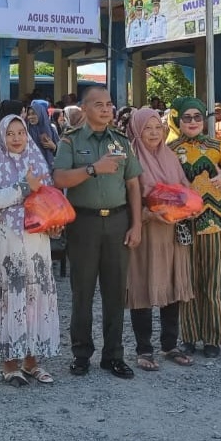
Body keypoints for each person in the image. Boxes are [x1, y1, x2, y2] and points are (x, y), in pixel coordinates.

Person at [52, 87, 142, 378]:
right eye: (99, 105)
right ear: (85, 108)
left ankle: (114, 355)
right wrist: (93, 169)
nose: (106, 109)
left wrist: (137, 223)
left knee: (116, 292)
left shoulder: (121, 141)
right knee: (83, 292)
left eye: (109, 104)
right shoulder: (71, 140)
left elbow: (133, 185)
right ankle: (81, 353)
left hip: (117, 221)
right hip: (84, 223)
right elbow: (60, 178)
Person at [0, 115, 62, 386]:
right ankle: (9, 364)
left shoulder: (37, 162)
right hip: (8, 240)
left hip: (37, 240)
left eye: (21, 132)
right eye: (10, 133)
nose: (16, 138)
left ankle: (32, 362)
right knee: (10, 298)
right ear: (1, 137)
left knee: (35, 296)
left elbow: (49, 198)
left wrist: (55, 224)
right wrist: (25, 188)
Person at [168, 97, 221, 358]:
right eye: (186, 117)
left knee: (211, 282)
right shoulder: (169, 149)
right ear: (177, 120)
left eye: (197, 117)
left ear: (204, 120)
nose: (192, 122)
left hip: (214, 222)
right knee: (188, 282)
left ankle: (213, 338)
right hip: (183, 224)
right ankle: (190, 336)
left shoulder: (218, 146)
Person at [126, 108, 196, 370]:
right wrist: (148, 213)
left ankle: (170, 344)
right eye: (147, 128)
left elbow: (184, 187)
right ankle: (144, 349)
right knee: (142, 287)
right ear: (136, 130)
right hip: (144, 231)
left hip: (172, 230)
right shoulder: (130, 157)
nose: (154, 133)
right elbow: (125, 196)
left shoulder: (170, 156)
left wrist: (183, 204)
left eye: (158, 127)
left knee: (172, 286)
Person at [25, 100, 59, 166]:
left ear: (41, 113)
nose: (30, 117)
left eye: (34, 113)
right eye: (29, 114)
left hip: (50, 169)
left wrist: (54, 147)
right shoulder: (26, 131)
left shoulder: (51, 130)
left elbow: (63, 153)